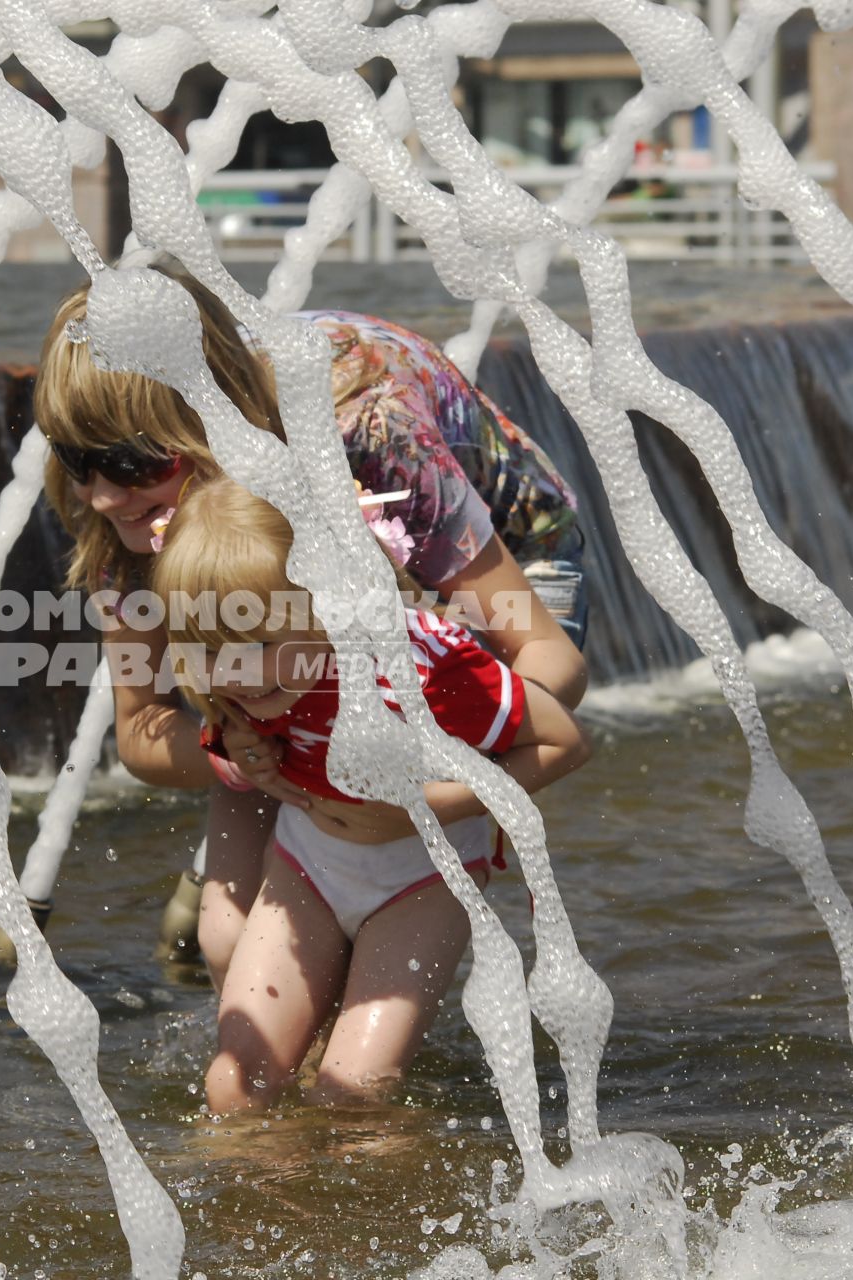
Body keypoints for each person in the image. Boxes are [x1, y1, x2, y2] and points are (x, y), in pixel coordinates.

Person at [34, 268, 589, 987]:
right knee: (228, 942)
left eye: (129, 463)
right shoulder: (125, 510)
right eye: (79, 461)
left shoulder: (370, 432)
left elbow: (551, 665)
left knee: (367, 919)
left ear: (207, 421)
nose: (103, 494)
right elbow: (140, 732)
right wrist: (240, 752)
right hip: (287, 627)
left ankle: (364, 1082)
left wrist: (419, 802)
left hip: (487, 565)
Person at [149, 479, 591, 1110]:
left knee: (354, 1094)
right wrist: (244, 750)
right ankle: (257, 1205)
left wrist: (422, 808)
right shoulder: (247, 679)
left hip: (423, 879)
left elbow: (566, 743)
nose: (234, 673)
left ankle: (388, 1205)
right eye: (209, 653)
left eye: (257, 646)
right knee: (235, 1083)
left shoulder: (423, 669)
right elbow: (229, 707)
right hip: (308, 865)